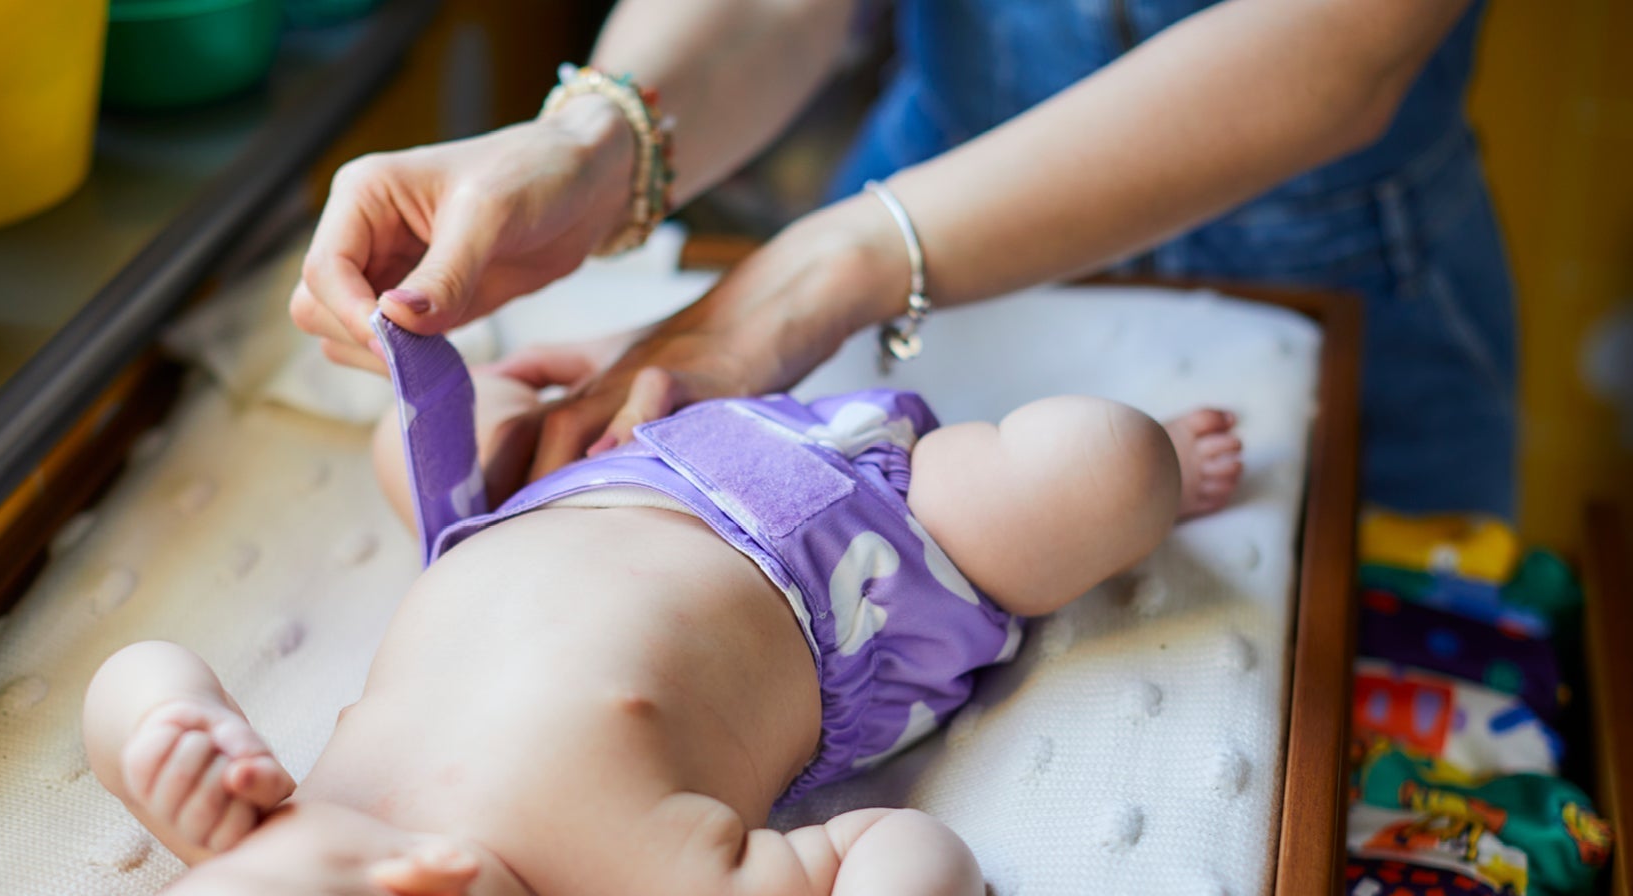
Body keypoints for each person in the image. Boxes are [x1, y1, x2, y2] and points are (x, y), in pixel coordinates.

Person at [81, 316, 1241, 896]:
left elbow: (131, 671)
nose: (221, 845)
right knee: (1097, 471)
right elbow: (912, 853)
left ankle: (552, 364)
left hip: (543, 493)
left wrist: (161, 727)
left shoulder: (269, 833)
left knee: (413, 424)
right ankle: (1156, 473)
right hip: (850, 550)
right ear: (426, 884)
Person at [292, 0, 1513, 517]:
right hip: (899, 210)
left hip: (1330, 266)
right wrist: (592, 140)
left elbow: (1336, 51)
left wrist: (812, 277)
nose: (552, 419)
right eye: (532, 409)